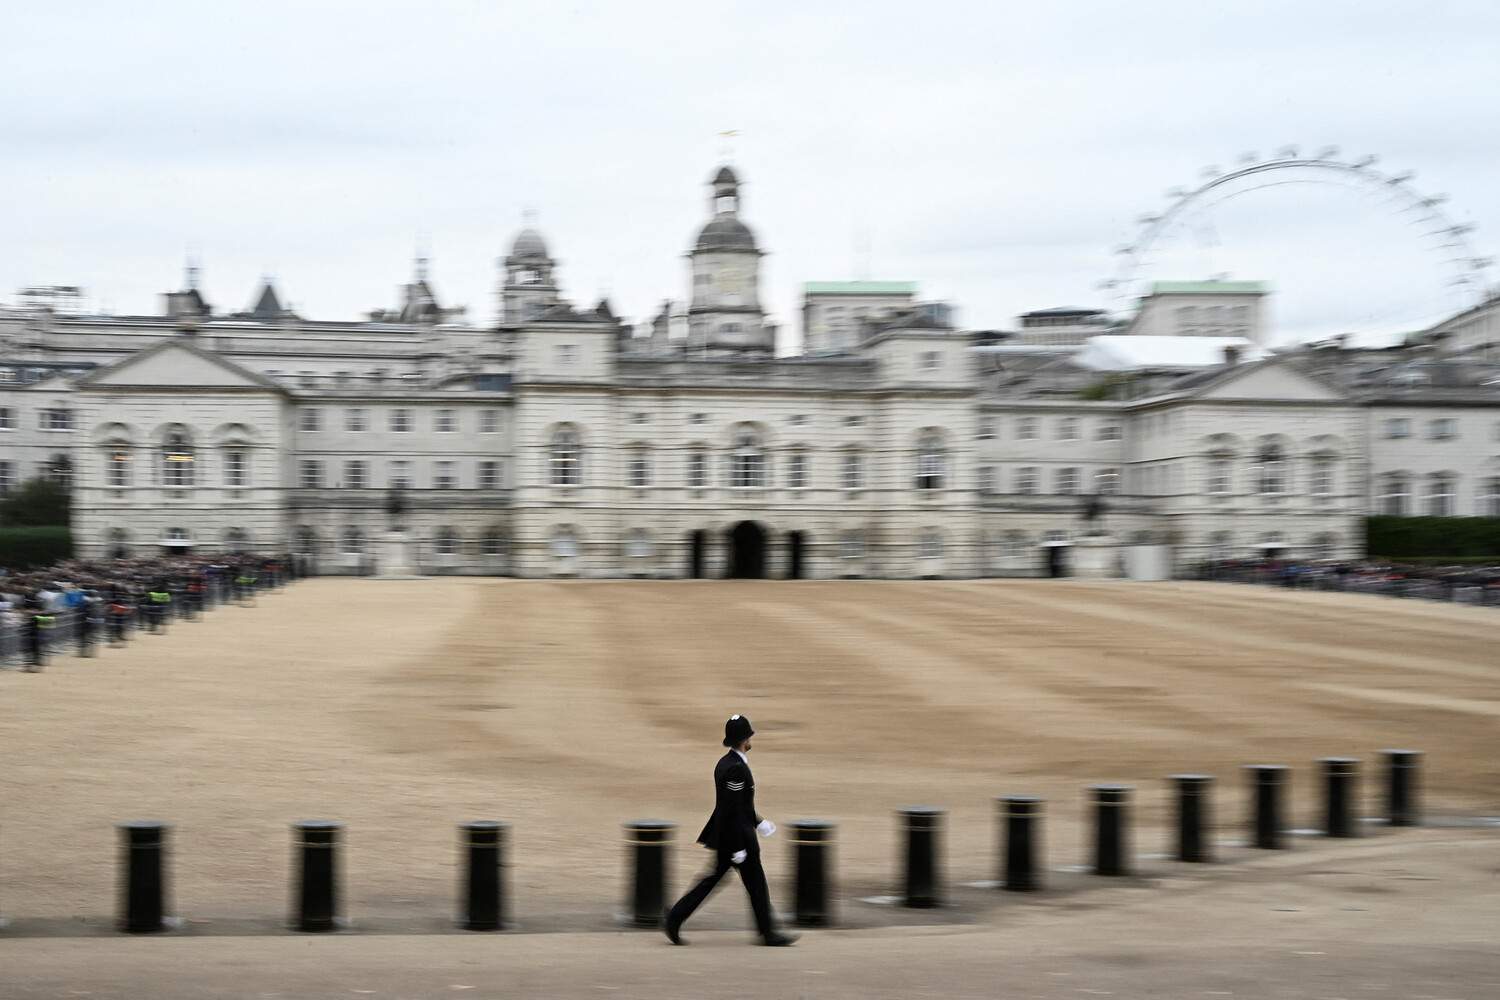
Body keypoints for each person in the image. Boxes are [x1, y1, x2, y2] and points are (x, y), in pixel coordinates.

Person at [664, 714, 797, 947]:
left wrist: (758, 822)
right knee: (755, 885)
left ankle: (675, 917)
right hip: (738, 839)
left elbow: (738, 806)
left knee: (718, 882)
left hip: (733, 835)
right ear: (744, 739)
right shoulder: (736, 769)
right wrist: (738, 847)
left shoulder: (727, 763)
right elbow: (731, 810)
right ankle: (768, 933)